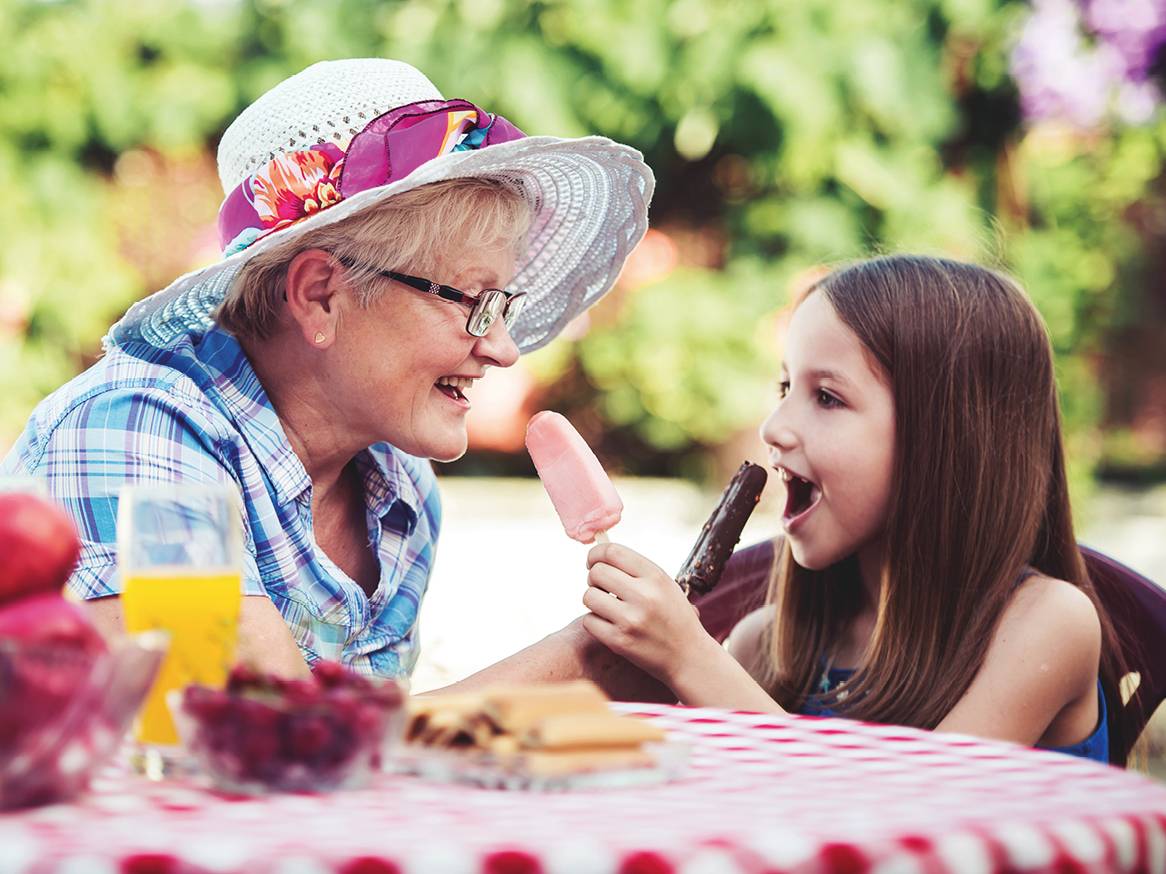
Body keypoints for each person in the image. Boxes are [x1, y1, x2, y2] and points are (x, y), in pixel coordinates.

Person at [1, 58, 654, 679]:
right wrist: (589, 657)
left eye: (504, 304)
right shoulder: (134, 428)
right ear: (318, 295)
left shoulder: (402, 492)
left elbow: (360, 780)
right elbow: (261, 742)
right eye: (475, 302)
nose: (505, 349)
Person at [580, 255, 1127, 763]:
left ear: (946, 439)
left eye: (828, 397)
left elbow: (904, 834)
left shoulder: (1046, 625)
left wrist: (691, 659)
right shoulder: (764, 646)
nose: (773, 428)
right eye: (785, 386)